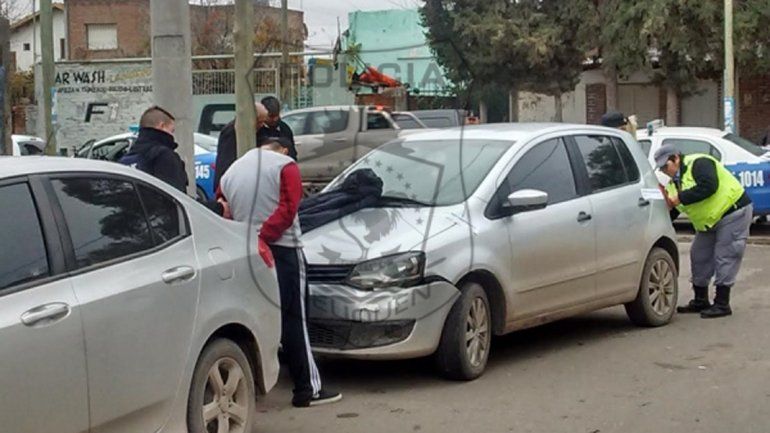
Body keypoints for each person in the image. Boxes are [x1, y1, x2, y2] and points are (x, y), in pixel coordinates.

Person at [219, 138, 342, 408]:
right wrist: (266, 235)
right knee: (294, 320)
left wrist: (253, 237)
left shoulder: (231, 171)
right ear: (283, 149)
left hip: (247, 251)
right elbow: (288, 208)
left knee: (255, 316)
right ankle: (307, 389)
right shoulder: (285, 165)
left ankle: (248, 388)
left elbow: (224, 209)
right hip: (282, 250)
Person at [655, 144, 753, 318]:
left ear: (676, 158)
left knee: (726, 255)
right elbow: (675, 208)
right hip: (708, 221)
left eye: (666, 165)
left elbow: (709, 186)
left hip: (732, 211)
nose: (665, 170)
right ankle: (700, 300)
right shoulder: (673, 183)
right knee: (698, 255)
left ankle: (722, 303)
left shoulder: (699, 163)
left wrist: (680, 198)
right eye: (661, 168)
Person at [120, 106, 187, 192]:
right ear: (162, 126)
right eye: (172, 130)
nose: (172, 135)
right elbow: (176, 197)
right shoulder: (165, 156)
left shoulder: (125, 161)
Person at [213, 102, 270, 190]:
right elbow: (226, 161)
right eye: (259, 122)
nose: (261, 125)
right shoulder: (231, 132)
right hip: (230, 184)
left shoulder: (259, 131)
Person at [257, 96, 298, 161]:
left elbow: (293, 152)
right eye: (271, 116)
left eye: (277, 115)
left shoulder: (285, 128)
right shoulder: (258, 129)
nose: (275, 119)